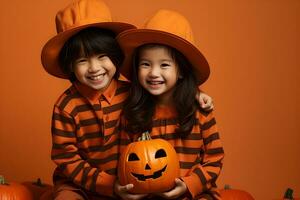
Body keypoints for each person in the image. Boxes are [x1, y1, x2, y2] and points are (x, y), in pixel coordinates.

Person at [41, 0, 214, 199]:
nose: (94, 68)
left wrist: (195, 93)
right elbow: (66, 158)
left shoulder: (133, 93)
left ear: (116, 56)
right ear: (69, 65)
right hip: (78, 185)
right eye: (82, 60)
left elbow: (167, 89)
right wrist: (109, 185)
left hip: (126, 185)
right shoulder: (66, 106)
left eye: (102, 56)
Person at [115, 9, 224, 200]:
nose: (154, 73)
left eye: (164, 65)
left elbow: (214, 158)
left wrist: (189, 185)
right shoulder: (132, 111)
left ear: (181, 70)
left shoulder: (200, 110)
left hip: (194, 194)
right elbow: (126, 161)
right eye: (146, 64)